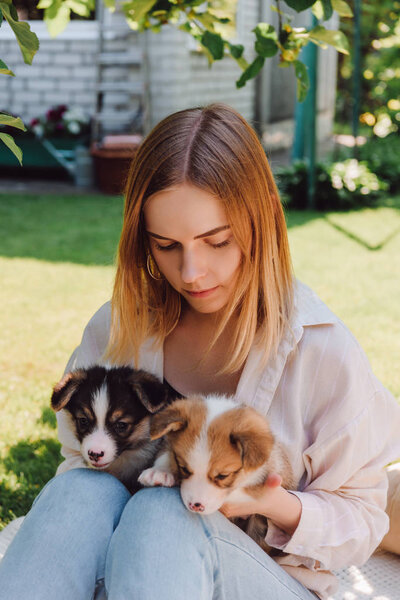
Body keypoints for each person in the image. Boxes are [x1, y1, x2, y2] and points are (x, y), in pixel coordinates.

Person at [0, 103, 399, 600]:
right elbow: (83, 462)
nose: (191, 272)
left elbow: (363, 521)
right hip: (143, 570)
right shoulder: (119, 328)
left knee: (160, 511)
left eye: (217, 241)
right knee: (78, 489)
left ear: (265, 221)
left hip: (265, 579)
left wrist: (267, 501)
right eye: (166, 245)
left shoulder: (321, 350)